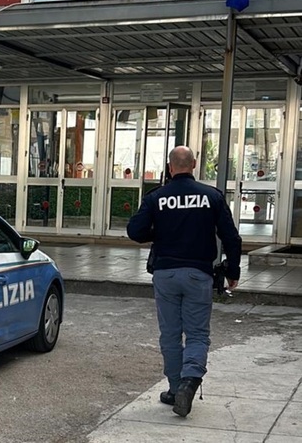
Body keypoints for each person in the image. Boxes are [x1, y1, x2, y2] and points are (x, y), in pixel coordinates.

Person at [126, 146, 241, 418]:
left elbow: (134, 231)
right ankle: (190, 381)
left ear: (170, 167)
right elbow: (231, 237)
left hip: (165, 274)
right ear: (194, 165)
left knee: (170, 333)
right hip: (198, 274)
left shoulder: (158, 197)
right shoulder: (211, 196)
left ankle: (176, 388)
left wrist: (159, 232)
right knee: (198, 333)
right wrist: (232, 271)